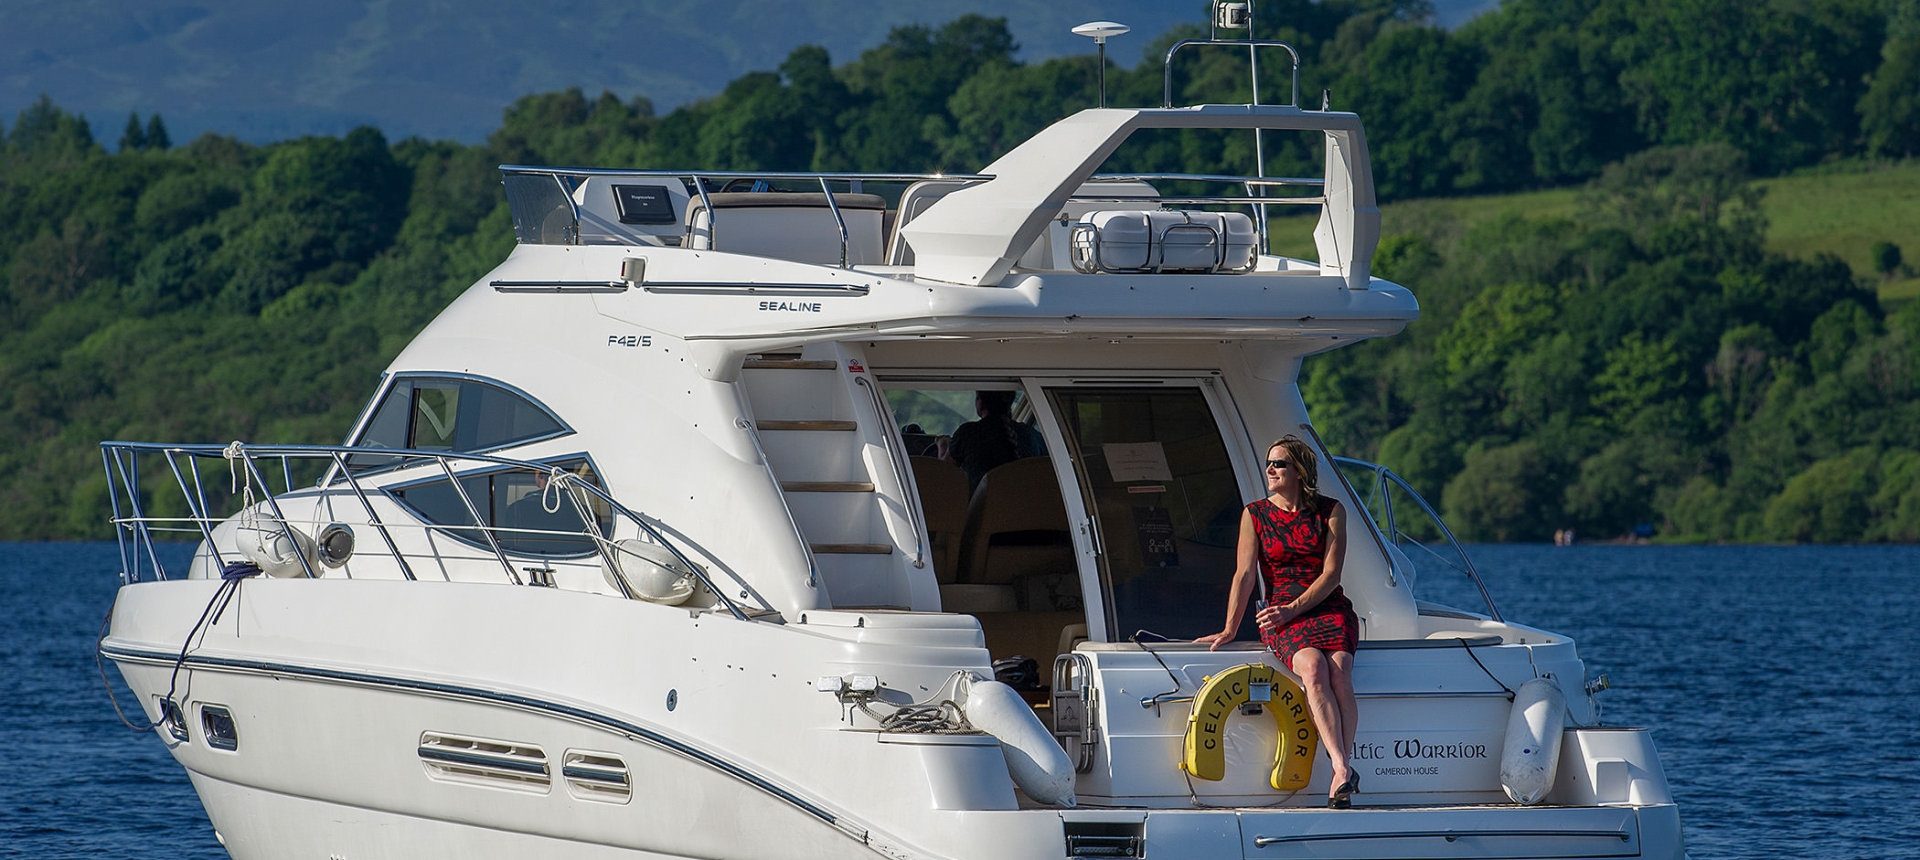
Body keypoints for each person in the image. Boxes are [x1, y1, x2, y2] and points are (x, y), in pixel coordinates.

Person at [1195, 436, 1362, 808]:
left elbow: (1332, 575)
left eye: (1279, 464)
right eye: (1269, 463)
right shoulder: (1254, 514)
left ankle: (1340, 771)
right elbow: (1244, 576)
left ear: (1299, 472)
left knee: (1340, 671)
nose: (1270, 469)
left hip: (1328, 608)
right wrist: (1230, 628)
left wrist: (1294, 608)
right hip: (1282, 614)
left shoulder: (1332, 511)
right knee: (1314, 669)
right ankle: (1343, 768)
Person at [937, 390, 1044, 494]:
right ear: (1009, 402)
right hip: (1023, 509)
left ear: (980, 403)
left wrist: (942, 444)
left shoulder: (968, 433)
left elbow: (944, 472)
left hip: (977, 511)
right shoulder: (1032, 435)